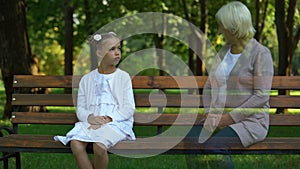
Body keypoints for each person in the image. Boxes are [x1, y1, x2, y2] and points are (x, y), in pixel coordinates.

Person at [186, 1, 274, 169]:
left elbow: (261, 96)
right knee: (191, 140)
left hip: (250, 122)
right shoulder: (224, 51)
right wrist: (209, 112)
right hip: (218, 117)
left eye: (222, 26)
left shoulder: (260, 53)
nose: (220, 31)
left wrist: (229, 118)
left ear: (234, 27)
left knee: (214, 146)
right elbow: (210, 85)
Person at [54, 32, 136, 169]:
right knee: (75, 143)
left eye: (119, 48)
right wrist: (90, 117)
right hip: (91, 122)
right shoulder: (87, 79)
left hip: (116, 123)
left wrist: (109, 118)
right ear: (99, 53)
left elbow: (128, 108)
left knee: (99, 146)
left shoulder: (123, 77)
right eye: (112, 49)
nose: (117, 53)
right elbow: (80, 108)